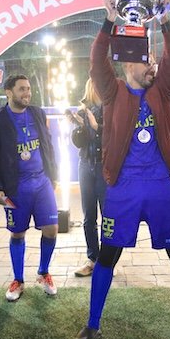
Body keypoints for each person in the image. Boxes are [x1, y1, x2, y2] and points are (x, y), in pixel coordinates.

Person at [70, 0, 170, 339]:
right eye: (146, 61)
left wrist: (167, 22)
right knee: (108, 256)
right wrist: (109, 20)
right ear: (129, 65)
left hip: (160, 188)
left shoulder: (161, 89)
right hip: (122, 188)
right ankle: (92, 325)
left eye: (153, 61)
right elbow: (96, 60)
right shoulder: (112, 91)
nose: (153, 65)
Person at [0, 74, 59, 302]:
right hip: (16, 186)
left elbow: (47, 144)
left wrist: (53, 175)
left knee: (51, 229)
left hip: (42, 182)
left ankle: (44, 272)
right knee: (17, 233)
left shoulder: (37, 113)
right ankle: (18, 280)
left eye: (28, 88)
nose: (27, 93)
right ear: (9, 92)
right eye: (22, 89)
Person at [69, 78, 106, 277]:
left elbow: (113, 137)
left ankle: (107, 260)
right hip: (85, 165)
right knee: (88, 216)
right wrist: (81, 127)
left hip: (104, 167)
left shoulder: (111, 108)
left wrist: (95, 125)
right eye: (93, 84)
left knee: (108, 216)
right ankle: (92, 259)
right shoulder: (82, 111)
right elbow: (78, 142)